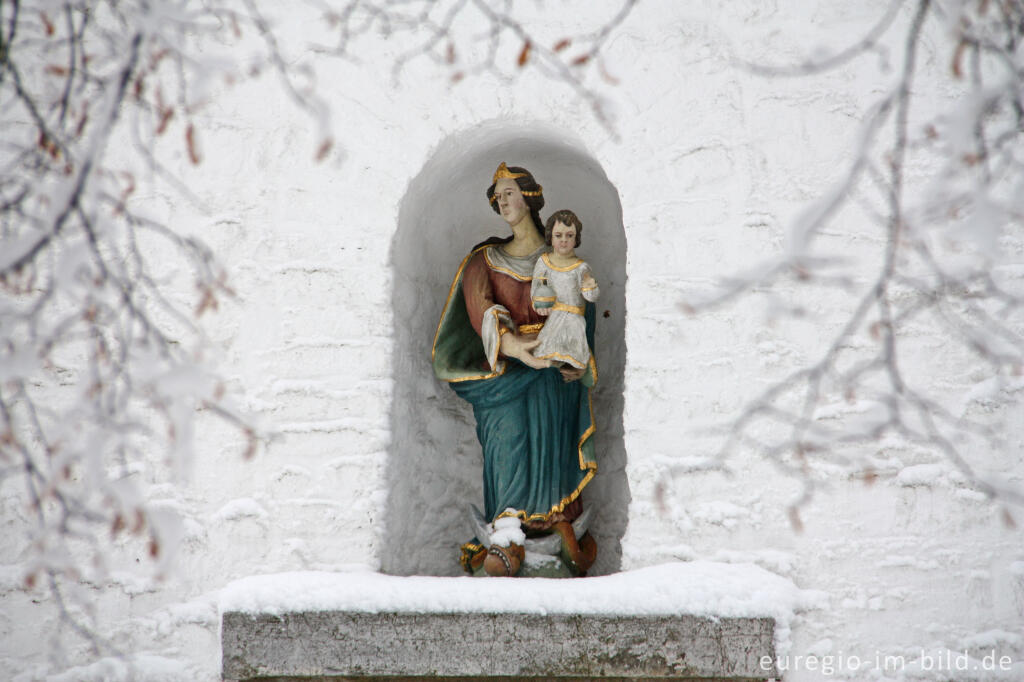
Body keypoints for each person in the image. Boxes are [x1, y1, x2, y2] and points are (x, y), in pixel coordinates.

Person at [432, 163, 597, 577]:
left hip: (553, 375)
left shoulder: (562, 260)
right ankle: (507, 529)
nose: (502, 200)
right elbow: (479, 309)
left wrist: (578, 360)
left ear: (530, 196)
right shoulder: (484, 260)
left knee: (553, 447)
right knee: (507, 443)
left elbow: (580, 313)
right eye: (497, 195)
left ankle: (557, 525)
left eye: (510, 192)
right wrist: (513, 347)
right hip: (505, 377)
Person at [531, 210, 600, 370]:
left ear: (576, 239)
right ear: (551, 237)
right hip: (553, 319)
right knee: (547, 358)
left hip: (574, 321)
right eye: (558, 235)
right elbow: (536, 290)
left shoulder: (581, 267)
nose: (564, 240)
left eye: (569, 236)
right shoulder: (543, 262)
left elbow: (591, 297)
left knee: (570, 360)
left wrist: (590, 285)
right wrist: (540, 307)